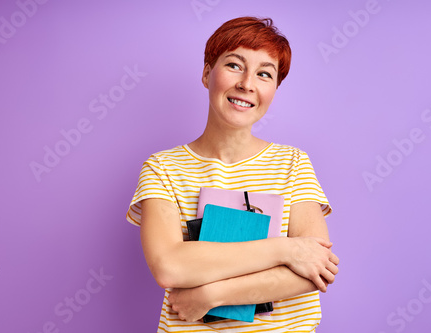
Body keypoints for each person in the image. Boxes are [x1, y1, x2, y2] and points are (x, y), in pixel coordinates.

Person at [126, 16, 339, 332]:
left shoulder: (293, 164)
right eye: (235, 65)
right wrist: (287, 249)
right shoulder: (162, 169)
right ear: (206, 73)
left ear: (274, 89)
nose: (247, 84)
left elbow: (316, 269)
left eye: (264, 74)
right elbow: (169, 267)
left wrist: (212, 294)